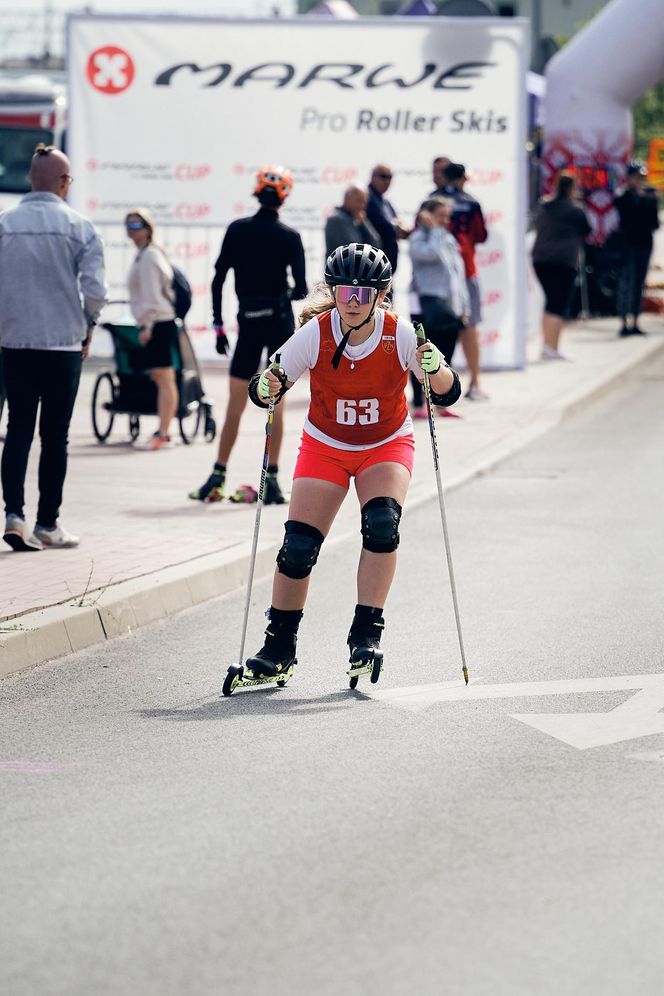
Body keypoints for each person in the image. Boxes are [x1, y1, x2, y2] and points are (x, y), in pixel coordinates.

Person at [241, 243, 461, 682]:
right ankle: (278, 646)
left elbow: (448, 392)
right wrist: (266, 386)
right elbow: (267, 384)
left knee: (382, 526)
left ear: (381, 296)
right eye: (346, 291)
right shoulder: (316, 333)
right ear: (335, 291)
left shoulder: (399, 333)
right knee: (298, 547)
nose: (354, 301)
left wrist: (435, 367)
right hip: (326, 444)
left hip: (385, 445)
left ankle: (366, 635)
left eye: (365, 293)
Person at [0, 143, 107, 552]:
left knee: (18, 430)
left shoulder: (5, 223)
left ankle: (14, 514)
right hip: (63, 343)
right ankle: (47, 522)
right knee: (55, 436)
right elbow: (95, 289)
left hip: (15, 342)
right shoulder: (79, 226)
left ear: (30, 178)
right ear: (63, 182)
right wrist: (89, 323)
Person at [189, 165, 307, 504]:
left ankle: (217, 476)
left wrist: (217, 325)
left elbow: (217, 279)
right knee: (277, 404)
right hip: (279, 323)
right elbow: (299, 288)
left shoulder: (238, 230)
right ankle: (272, 480)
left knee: (235, 406)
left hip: (248, 322)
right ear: (284, 198)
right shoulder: (289, 236)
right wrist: (280, 295)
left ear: (257, 192)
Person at [409, 197, 469, 419]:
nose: (445, 221)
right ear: (427, 215)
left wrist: (464, 305)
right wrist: (432, 230)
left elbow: (457, 274)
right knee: (422, 357)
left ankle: (442, 401)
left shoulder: (448, 238)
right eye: (439, 216)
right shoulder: (419, 239)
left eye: (447, 216)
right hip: (425, 307)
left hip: (449, 306)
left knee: (446, 354)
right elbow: (430, 254)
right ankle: (418, 404)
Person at [125, 208, 179, 450]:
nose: (130, 230)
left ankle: (164, 432)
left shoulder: (148, 257)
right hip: (159, 321)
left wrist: (146, 325)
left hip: (158, 322)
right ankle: (163, 430)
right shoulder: (146, 254)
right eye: (128, 225)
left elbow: (151, 297)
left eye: (136, 225)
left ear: (148, 228)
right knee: (162, 378)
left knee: (164, 378)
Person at [438, 162, 489, 400]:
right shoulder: (471, 202)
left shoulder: (431, 200)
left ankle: (435, 388)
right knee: (469, 329)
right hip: (466, 272)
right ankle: (475, 383)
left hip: (438, 276)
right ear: (463, 179)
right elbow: (481, 235)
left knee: (437, 332)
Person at [532, 171, 591, 360]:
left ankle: (547, 345)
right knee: (558, 305)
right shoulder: (574, 209)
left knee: (550, 302)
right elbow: (587, 230)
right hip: (563, 260)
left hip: (540, 258)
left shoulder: (544, 205)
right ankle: (552, 346)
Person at [613, 160, 660, 337]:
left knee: (639, 284)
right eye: (635, 177)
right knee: (626, 282)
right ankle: (624, 321)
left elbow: (653, 222)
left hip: (644, 244)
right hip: (627, 245)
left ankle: (635, 320)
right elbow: (623, 212)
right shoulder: (623, 196)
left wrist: (645, 198)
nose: (639, 180)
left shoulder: (649, 196)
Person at [366, 164, 410, 273]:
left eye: (390, 178)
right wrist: (395, 229)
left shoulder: (385, 202)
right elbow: (384, 227)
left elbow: (399, 225)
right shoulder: (367, 198)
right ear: (372, 177)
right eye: (383, 176)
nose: (387, 181)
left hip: (385, 268)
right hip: (372, 265)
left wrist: (397, 228)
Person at [324, 184, 382, 258]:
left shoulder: (356, 218)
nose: (362, 206)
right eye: (359, 200)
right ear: (347, 198)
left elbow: (376, 246)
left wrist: (364, 224)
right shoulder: (336, 219)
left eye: (364, 202)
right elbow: (354, 249)